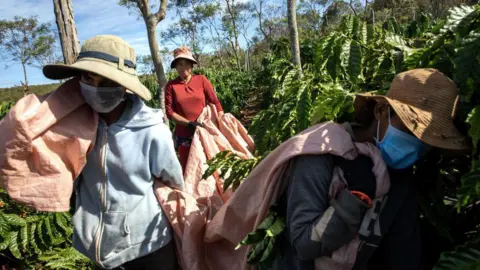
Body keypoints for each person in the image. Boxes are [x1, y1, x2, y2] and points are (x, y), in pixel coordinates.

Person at [272, 68, 469, 270]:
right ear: (381, 111)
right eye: (408, 131)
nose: (415, 145)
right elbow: (304, 245)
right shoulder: (321, 153)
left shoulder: (400, 180)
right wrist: (357, 196)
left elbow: (403, 257)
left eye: (425, 142)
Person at [42, 35, 183, 270]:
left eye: (107, 81)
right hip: (98, 249)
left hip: (148, 245)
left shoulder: (152, 130)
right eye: (89, 78)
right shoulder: (73, 125)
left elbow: (173, 182)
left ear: (123, 85)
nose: (96, 89)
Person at [165, 47, 224, 171]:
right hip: (184, 134)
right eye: (179, 64)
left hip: (204, 130)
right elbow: (170, 112)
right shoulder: (171, 86)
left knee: (209, 166)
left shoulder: (201, 80)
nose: (183, 67)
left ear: (192, 65)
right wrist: (189, 124)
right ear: (175, 67)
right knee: (189, 169)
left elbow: (215, 102)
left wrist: (220, 123)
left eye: (186, 63)